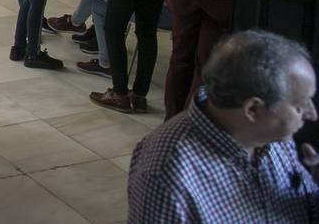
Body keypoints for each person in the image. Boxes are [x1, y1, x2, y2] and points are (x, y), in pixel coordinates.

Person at [126, 30, 318, 224]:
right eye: (300, 106)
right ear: (253, 109)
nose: (312, 114)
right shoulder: (166, 176)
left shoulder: (271, 134)